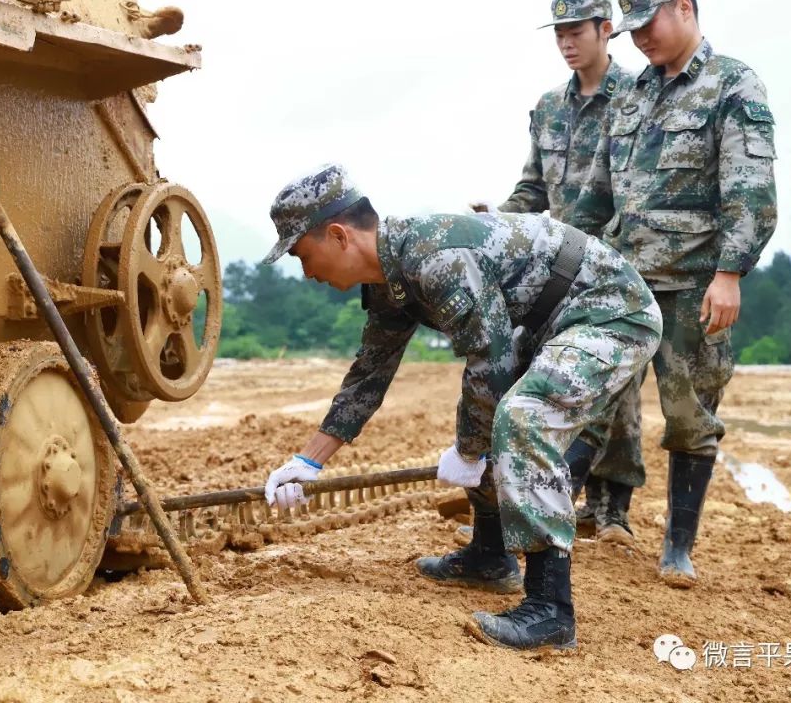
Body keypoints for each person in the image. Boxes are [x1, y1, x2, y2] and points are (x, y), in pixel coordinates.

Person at [260, 163, 662, 650]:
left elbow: (490, 364)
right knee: (488, 413)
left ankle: (551, 612)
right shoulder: (389, 278)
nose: (307, 274)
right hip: (548, 324)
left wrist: (470, 454)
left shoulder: (437, 259)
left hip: (609, 312)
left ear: (339, 235)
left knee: (521, 416)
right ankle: (490, 558)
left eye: (303, 255)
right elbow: (369, 374)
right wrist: (307, 462)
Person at [602, 0, 777, 586]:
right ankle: (597, 517)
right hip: (624, 280)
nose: (642, 37)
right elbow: (606, 191)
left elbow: (750, 189)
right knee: (593, 397)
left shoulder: (732, 83)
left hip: (692, 284)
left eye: (650, 22)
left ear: (685, 7)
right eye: (633, 29)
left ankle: (677, 546)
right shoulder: (632, 94)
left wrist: (730, 273)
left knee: (688, 414)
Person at [475, 0, 645, 546]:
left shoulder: (639, 99)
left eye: (578, 32)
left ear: (607, 29)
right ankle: (549, 492)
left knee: (615, 389)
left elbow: (642, 192)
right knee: (543, 377)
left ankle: (610, 508)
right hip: (552, 272)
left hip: (614, 264)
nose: (567, 43)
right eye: (560, 34)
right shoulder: (548, 107)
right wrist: (494, 225)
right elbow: (531, 191)